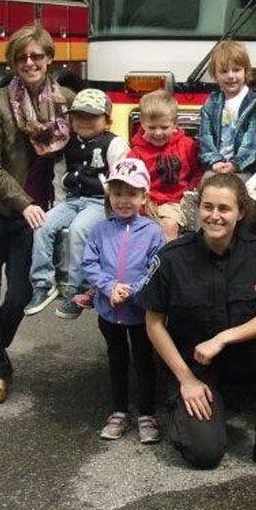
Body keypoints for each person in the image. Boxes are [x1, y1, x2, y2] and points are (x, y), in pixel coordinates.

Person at [143, 173, 256, 482]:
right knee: (204, 454)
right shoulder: (172, 257)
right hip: (194, 366)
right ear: (198, 209)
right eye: (207, 207)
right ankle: (189, 408)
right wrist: (186, 380)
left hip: (241, 357)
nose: (214, 216)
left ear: (241, 212)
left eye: (224, 208)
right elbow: (154, 324)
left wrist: (223, 338)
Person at [0, 24, 72, 404]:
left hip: (33, 214)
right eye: (21, 57)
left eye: (36, 55)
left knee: (23, 293)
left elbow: (92, 136)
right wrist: (23, 202)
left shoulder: (65, 102)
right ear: (13, 62)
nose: (29, 63)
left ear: (49, 59)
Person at [24, 88, 129, 320]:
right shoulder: (67, 143)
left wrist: (116, 212)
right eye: (79, 116)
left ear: (107, 120)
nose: (84, 121)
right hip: (72, 200)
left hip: (99, 202)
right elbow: (59, 175)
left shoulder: (115, 144)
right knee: (42, 224)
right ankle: (43, 284)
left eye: (92, 117)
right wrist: (58, 206)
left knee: (79, 229)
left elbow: (120, 179)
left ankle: (77, 289)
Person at [81, 158, 165, 443]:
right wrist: (109, 287)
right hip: (108, 311)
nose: (123, 200)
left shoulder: (152, 231)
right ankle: (118, 411)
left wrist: (132, 290)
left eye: (131, 193)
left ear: (144, 196)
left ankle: (147, 413)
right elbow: (90, 263)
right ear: (109, 196)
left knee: (144, 361)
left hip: (139, 313)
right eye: (117, 193)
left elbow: (156, 268)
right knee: (116, 360)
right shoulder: (100, 230)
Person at [127, 89, 203, 241]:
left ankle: (167, 255)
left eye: (164, 127)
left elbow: (198, 172)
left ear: (174, 123)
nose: (158, 133)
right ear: (142, 124)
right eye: (152, 127)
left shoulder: (187, 146)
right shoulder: (136, 153)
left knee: (168, 225)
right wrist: (142, 202)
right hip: (146, 202)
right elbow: (131, 183)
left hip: (176, 201)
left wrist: (189, 194)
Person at [197, 40, 256, 177]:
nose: (230, 76)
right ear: (215, 75)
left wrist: (235, 164)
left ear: (246, 71)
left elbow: (252, 141)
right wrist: (215, 161)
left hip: (244, 168)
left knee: (237, 186)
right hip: (216, 166)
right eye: (223, 71)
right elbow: (205, 136)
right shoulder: (211, 102)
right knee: (207, 180)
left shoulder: (255, 103)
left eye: (236, 70)